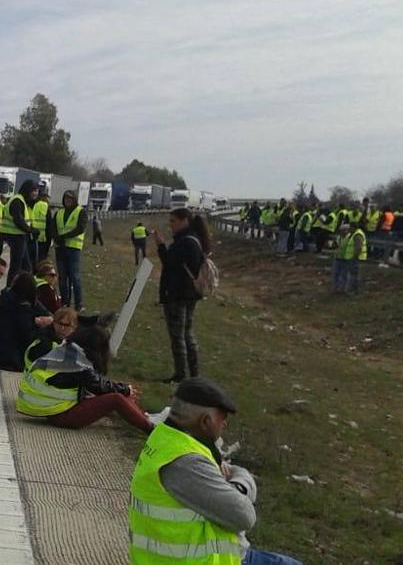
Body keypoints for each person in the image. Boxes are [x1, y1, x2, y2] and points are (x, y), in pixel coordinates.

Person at [129, 378, 305, 565]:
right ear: (205, 421)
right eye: (223, 419)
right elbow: (244, 516)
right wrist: (242, 481)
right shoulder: (187, 462)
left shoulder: (165, 440)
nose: (224, 425)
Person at [16, 323, 152, 434]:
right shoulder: (77, 363)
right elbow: (98, 386)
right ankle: (151, 430)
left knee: (121, 394)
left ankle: (145, 418)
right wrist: (125, 388)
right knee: (116, 399)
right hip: (59, 414)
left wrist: (124, 389)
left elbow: (95, 383)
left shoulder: (67, 350)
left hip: (49, 408)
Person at [152, 208, 210, 383]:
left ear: (184, 220)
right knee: (187, 334)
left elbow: (169, 263)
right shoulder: (194, 239)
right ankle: (193, 375)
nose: (171, 225)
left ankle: (181, 375)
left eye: (173, 221)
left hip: (178, 293)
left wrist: (161, 245)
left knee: (178, 336)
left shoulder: (185, 242)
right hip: (190, 293)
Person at [0, 270, 61, 371]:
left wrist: (47, 318)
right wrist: (40, 324)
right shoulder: (22, 307)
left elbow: (42, 310)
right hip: (9, 356)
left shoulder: (7, 297)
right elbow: (27, 334)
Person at [52, 189, 88, 310]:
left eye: (70, 198)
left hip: (73, 248)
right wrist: (56, 237)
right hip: (60, 247)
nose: (68, 200)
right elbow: (53, 227)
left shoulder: (81, 211)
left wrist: (64, 236)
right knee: (62, 277)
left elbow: (80, 228)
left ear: (75, 200)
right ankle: (65, 302)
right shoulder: (59, 212)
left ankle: (78, 303)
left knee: (74, 276)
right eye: (66, 198)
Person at [0, 181, 37, 286]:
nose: (35, 193)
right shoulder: (17, 201)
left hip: (18, 236)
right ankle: (10, 289)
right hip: (15, 236)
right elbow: (18, 221)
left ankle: (23, 288)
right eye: (34, 191)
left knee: (26, 266)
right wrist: (31, 230)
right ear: (27, 190)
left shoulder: (20, 200)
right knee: (16, 266)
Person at [332, 222, 366, 295]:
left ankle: (350, 290)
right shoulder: (342, 237)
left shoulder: (355, 235)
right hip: (341, 258)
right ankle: (338, 289)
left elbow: (358, 248)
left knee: (351, 275)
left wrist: (353, 257)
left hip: (351, 259)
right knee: (337, 274)